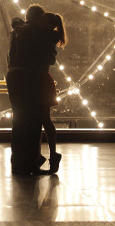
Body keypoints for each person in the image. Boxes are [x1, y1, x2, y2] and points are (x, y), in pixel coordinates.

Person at [6, 4, 48, 175]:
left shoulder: (16, 32)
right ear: (38, 18)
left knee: (18, 120)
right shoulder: (34, 34)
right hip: (27, 78)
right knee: (33, 120)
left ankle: (17, 162)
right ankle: (31, 162)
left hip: (13, 77)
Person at [38, 12, 67, 174]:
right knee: (45, 120)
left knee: (42, 119)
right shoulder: (52, 37)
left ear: (48, 24)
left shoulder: (43, 37)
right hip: (44, 81)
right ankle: (52, 154)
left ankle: (45, 155)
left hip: (40, 81)